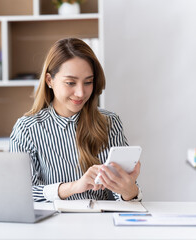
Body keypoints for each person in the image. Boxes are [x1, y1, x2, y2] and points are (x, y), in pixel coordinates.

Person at [9, 38, 142, 202]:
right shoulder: (26, 129)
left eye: (88, 82)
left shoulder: (109, 122)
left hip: (100, 223)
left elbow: (122, 197)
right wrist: (73, 187)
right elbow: (20, 194)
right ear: (50, 80)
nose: (80, 93)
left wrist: (129, 191)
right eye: (70, 82)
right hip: (50, 225)